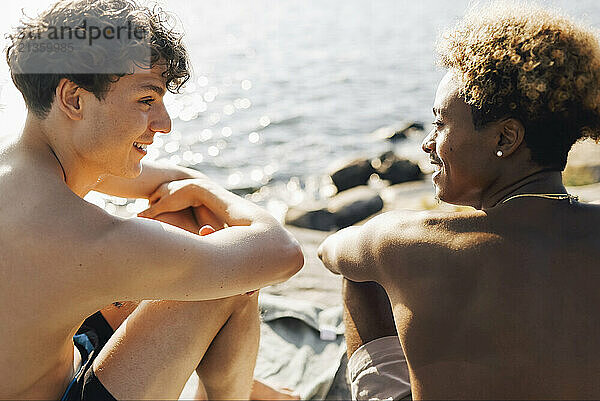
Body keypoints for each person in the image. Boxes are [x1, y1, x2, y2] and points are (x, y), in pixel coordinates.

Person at [0, 0, 303, 399]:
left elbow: (177, 181)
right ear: (73, 98)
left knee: (188, 226)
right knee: (231, 279)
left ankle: (248, 388)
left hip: (47, 362)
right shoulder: (84, 236)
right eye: (147, 100)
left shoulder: (22, 168)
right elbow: (282, 252)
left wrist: (196, 191)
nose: (164, 123)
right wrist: (210, 193)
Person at [318, 2, 600, 399]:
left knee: (361, 278)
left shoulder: (402, 242)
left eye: (440, 123)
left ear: (505, 138)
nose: (427, 143)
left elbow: (330, 252)